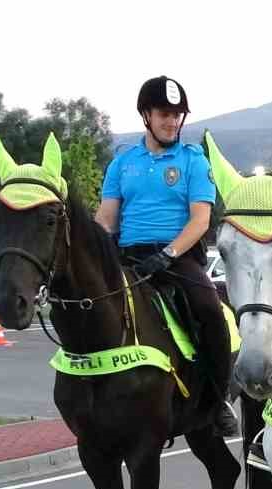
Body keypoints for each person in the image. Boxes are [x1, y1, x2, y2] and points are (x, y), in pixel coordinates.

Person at [97, 75, 237, 437]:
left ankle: (218, 398)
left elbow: (201, 219)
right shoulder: (123, 162)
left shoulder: (193, 160)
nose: (172, 121)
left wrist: (168, 254)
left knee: (209, 310)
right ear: (146, 115)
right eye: (164, 113)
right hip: (128, 258)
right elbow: (107, 217)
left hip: (178, 259)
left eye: (177, 114)